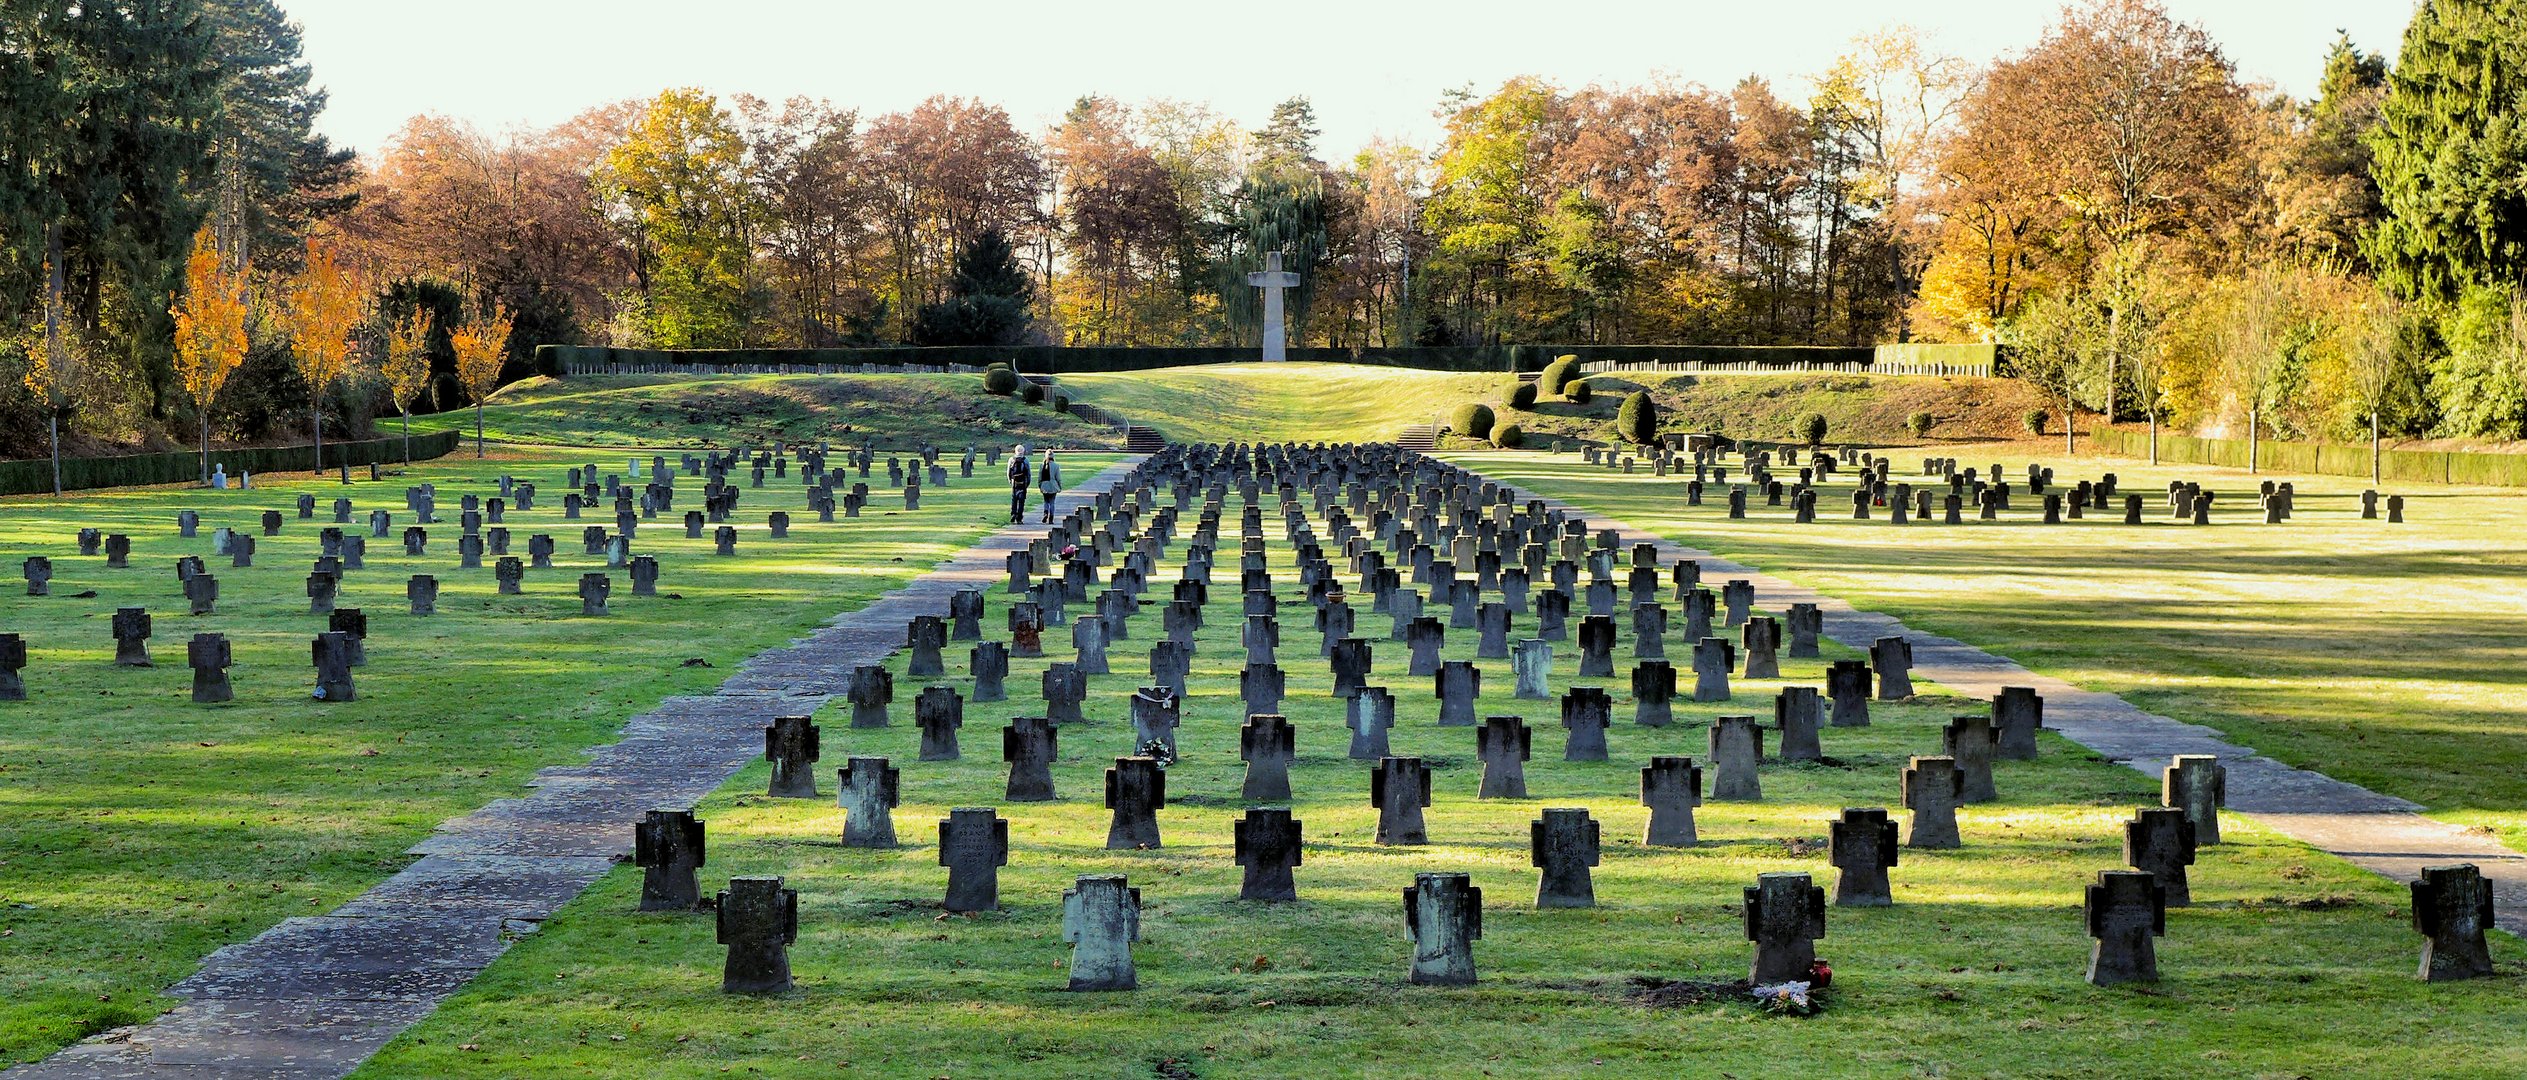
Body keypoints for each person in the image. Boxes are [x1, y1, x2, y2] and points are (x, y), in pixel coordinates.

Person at [1005, 443, 1031, 522]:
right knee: (1021, 501)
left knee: (1014, 499)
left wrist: (1010, 481)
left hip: (1014, 482)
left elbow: (1008, 472)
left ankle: (1013, 513)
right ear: (1023, 451)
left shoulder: (1011, 459)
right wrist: (1028, 483)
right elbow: (1028, 473)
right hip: (1023, 483)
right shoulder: (1025, 460)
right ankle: (1019, 517)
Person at [1037, 449, 1063, 523]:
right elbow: (1058, 478)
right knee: (1052, 502)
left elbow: (1040, 477)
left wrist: (1040, 485)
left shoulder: (1042, 465)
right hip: (1053, 486)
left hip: (1044, 486)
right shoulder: (1056, 466)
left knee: (1046, 501)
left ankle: (1045, 513)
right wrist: (1060, 486)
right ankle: (1051, 518)